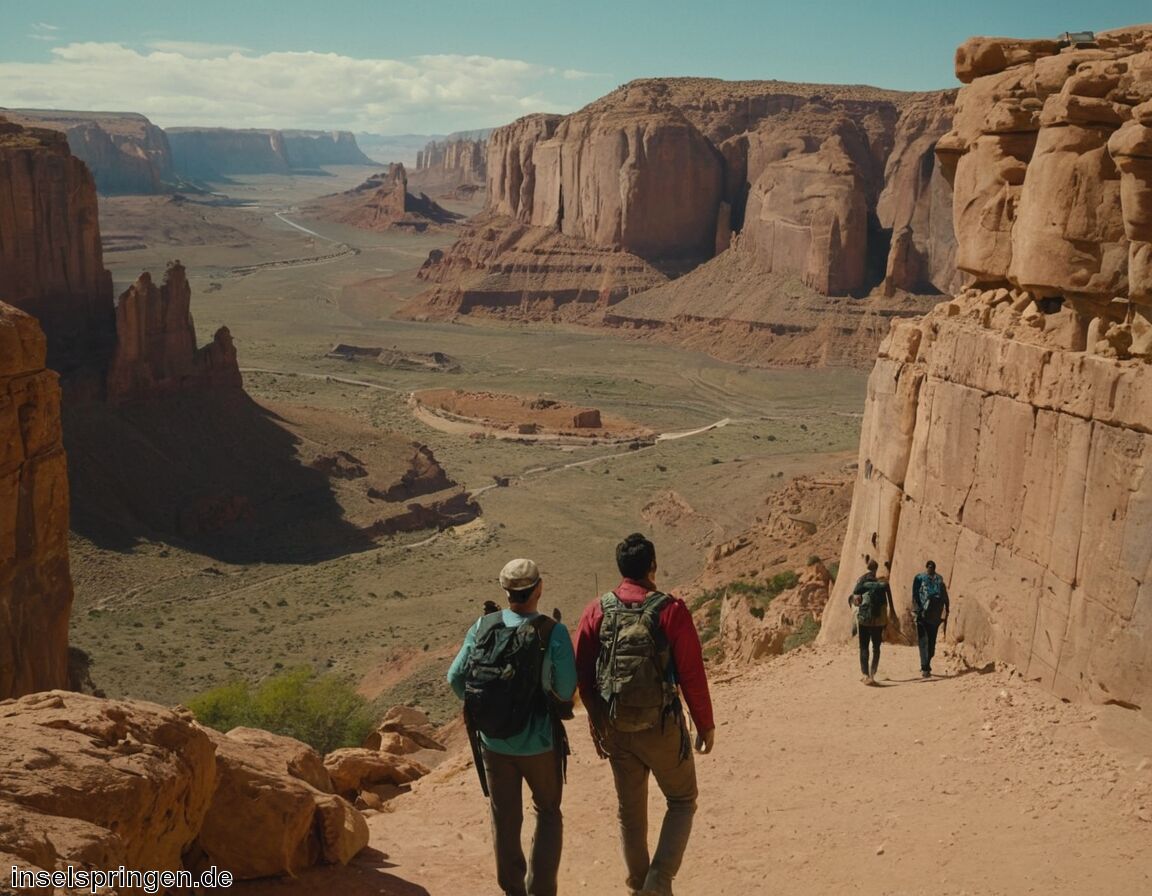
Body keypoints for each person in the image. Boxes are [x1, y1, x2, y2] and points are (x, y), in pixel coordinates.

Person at [575, 533, 715, 896]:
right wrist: (705, 725)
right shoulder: (670, 610)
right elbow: (691, 674)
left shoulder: (597, 609)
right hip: (662, 726)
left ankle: (638, 886)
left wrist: (596, 724)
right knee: (682, 800)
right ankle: (658, 883)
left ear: (620, 569)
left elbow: (583, 675)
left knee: (631, 813)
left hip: (616, 726)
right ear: (653, 566)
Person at [448, 559, 577, 896]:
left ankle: (512, 891)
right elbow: (565, 690)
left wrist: (486, 708)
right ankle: (541, 890)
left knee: (504, 819)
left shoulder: (482, 627)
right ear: (539, 588)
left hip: (493, 743)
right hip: (540, 743)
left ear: (505, 592)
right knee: (547, 812)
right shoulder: (553, 631)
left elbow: (455, 678)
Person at [850, 573, 895, 685]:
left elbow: (855, 598)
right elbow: (887, 604)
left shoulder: (862, 585)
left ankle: (865, 675)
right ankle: (872, 673)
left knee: (864, 647)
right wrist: (887, 621)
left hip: (864, 621)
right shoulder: (882, 586)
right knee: (876, 647)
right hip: (878, 622)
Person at [911, 559, 950, 678]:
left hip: (926, 615)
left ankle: (925, 666)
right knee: (929, 642)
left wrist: (917, 610)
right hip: (932, 616)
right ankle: (925, 667)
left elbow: (915, 595)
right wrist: (946, 610)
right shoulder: (936, 580)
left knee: (926, 642)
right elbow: (944, 597)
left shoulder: (921, 578)